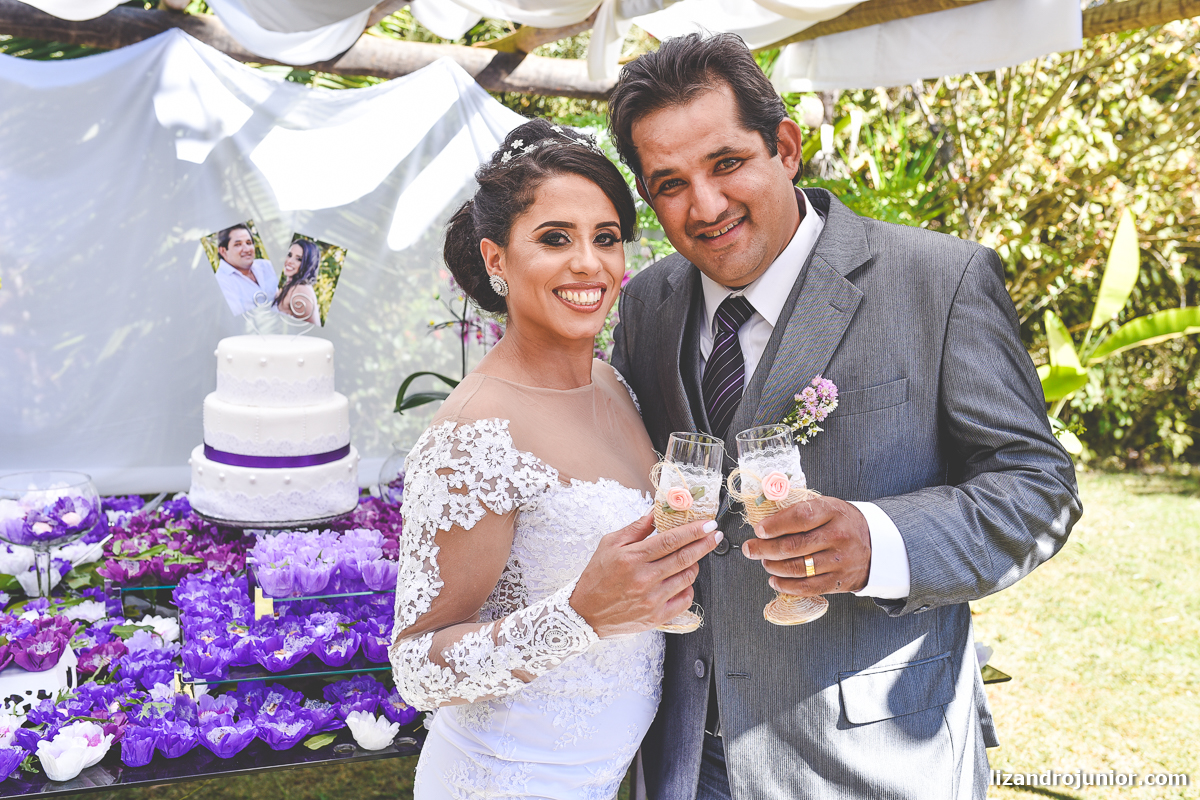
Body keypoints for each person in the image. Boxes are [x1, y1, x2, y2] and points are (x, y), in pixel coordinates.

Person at [606, 34, 1083, 799]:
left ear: (786, 146)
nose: (705, 205)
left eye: (726, 163)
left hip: (871, 759)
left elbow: (1038, 488)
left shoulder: (941, 281)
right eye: (669, 183)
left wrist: (881, 541)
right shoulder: (647, 304)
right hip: (682, 757)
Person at [389, 119, 722, 798]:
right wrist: (578, 613)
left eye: (605, 239)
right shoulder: (473, 436)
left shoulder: (614, 385)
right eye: (554, 239)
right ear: (496, 259)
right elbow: (417, 669)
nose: (588, 264)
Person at [214, 224, 277, 316]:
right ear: (223, 251)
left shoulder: (266, 265)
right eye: (238, 244)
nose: (247, 249)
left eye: (248, 243)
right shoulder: (221, 283)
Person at [274, 239, 321, 324]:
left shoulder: (300, 291)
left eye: (299, 259)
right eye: (289, 255)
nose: (289, 261)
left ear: (307, 264)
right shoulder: (291, 286)